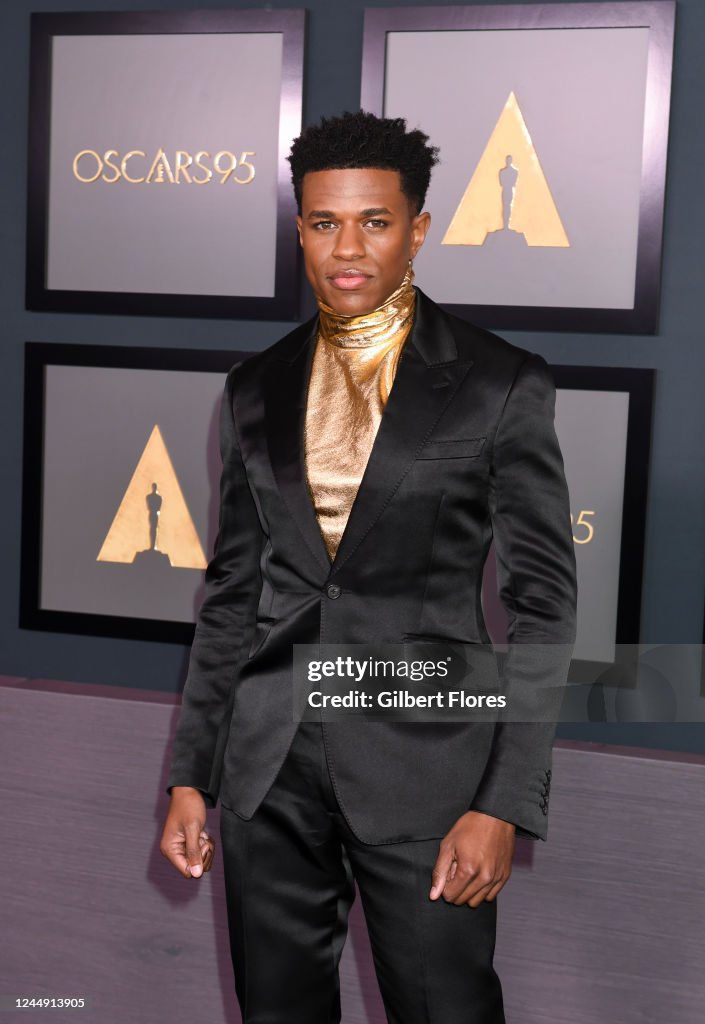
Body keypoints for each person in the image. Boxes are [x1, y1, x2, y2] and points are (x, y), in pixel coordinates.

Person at [160, 111, 577, 1023]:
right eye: (322, 223)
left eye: (375, 222)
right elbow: (233, 592)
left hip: (431, 775)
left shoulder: (499, 381)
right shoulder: (254, 384)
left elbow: (543, 607)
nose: (346, 248)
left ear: (417, 228)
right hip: (268, 774)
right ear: (300, 227)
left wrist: (503, 801)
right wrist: (195, 774)